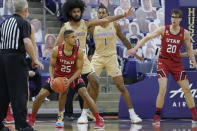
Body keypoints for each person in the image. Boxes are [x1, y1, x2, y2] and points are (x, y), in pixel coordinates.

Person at [55, 0, 135, 125]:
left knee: (95, 83)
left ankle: (90, 114)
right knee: (67, 90)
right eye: (74, 12)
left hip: (83, 59)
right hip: (70, 60)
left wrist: (123, 15)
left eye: (78, 11)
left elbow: (105, 21)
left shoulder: (86, 24)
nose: (76, 13)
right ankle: (61, 116)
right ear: (70, 13)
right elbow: (56, 46)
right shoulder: (65, 27)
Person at [126, 9, 197, 125]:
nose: (173, 19)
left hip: (176, 64)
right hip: (163, 62)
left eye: (176, 17)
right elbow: (147, 37)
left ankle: (194, 115)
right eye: (172, 17)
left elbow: (189, 50)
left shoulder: (185, 33)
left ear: (180, 19)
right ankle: (157, 116)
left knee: (187, 89)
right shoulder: (164, 29)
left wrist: (194, 63)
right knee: (162, 88)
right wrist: (135, 48)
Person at [77, 4, 143, 124]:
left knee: (121, 86)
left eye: (103, 13)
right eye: (99, 13)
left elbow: (123, 39)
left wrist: (133, 51)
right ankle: (84, 114)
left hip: (112, 57)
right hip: (98, 57)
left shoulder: (115, 25)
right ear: (97, 15)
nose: (101, 15)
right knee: (91, 86)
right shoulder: (93, 27)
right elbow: (81, 38)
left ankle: (132, 114)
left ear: (107, 14)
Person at [29, 30, 105, 129]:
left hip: (73, 77)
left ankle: (98, 119)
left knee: (85, 94)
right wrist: (52, 78)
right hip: (58, 76)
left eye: (76, 37)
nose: (76, 39)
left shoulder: (79, 51)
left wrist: (69, 80)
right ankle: (33, 119)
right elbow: (52, 66)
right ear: (66, 39)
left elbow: (79, 70)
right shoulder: (57, 50)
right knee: (40, 96)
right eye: (73, 37)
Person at [0, 0, 43, 131]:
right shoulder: (24, 23)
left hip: (2, 58)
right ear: (26, 10)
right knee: (19, 93)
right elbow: (27, 41)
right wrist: (35, 59)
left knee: (3, 93)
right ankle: (22, 125)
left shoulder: (4, 22)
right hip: (15, 59)